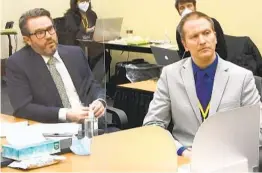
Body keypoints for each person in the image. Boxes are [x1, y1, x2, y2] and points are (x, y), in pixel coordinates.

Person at [143, 11, 260, 158]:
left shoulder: (242, 77)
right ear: (185, 44)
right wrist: (180, 150)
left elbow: (258, 128)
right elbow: (153, 125)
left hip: (228, 158)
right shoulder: (170, 75)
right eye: (194, 36)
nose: (202, 40)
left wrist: (229, 152)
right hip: (185, 157)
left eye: (206, 33)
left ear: (215, 37)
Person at [6, 8, 106, 124]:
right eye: (40, 33)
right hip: (55, 132)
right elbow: (23, 108)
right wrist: (66, 114)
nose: (48, 36)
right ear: (27, 40)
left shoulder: (75, 53)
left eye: (50, 29)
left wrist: (100, 101)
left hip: (92, 126)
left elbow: (92, 85)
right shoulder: (18, 64)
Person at [64, 0, 112, 83]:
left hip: (92, 45)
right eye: (82, 1)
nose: (85, 3)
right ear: (75, 3)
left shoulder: (92, 14)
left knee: (106, 56)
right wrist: (88, 30)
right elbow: (74, 32)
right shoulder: (70, 16)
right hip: (78, 46)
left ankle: (93, 83)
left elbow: (97, 30)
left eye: (87, 1)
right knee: (94, 57)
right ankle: (89, 84)